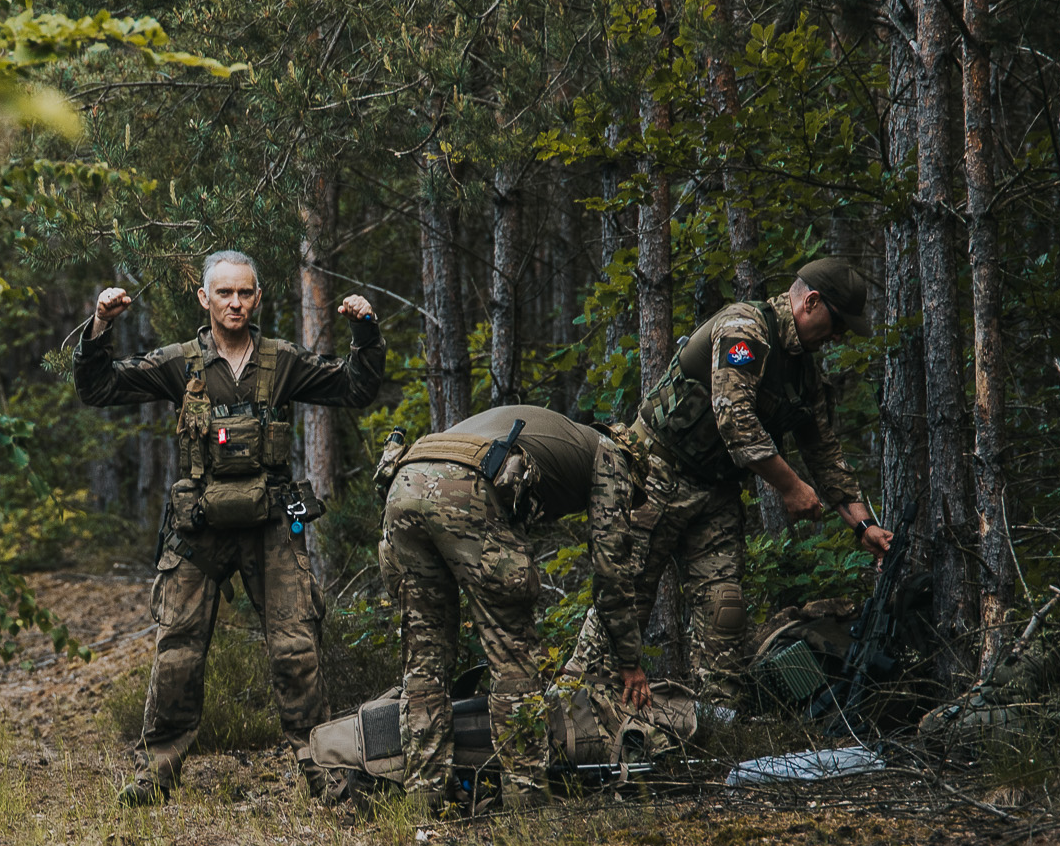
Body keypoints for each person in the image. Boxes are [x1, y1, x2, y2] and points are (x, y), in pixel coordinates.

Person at [76, 250, 383, 805]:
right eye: (224, 293)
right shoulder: (179, 362)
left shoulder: (282, 360)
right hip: (199, 529)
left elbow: (355, 390)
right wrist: (100, 326)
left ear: (258, 298)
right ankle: (154, 776)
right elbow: (97, 389)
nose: (235, 303)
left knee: (297, 647)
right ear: (205, 299)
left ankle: (326, 775)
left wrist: (365, 332)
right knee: (178, 651)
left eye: (245, 293)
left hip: (271, 525)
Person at [565, 258, 895, 707]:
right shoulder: (745, 328)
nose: (837, 338)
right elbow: (734, 420)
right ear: (811, 302)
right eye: (837, 325)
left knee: (724, 614)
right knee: (622, 606)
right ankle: (564, 716)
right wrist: (791, 487)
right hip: (656, 473)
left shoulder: (804, 374)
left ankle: (712, 739)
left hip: (716, 494)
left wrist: (863, 527)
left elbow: (825, 453)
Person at [377, 405, 643, 810]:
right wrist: (628, 659)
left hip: (405, 481)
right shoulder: (612, 456)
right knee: (512, 653)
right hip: (464, 486)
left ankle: (424, 802)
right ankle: (526, 801)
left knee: (424, 660)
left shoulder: (562, 434)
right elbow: (612, 570)